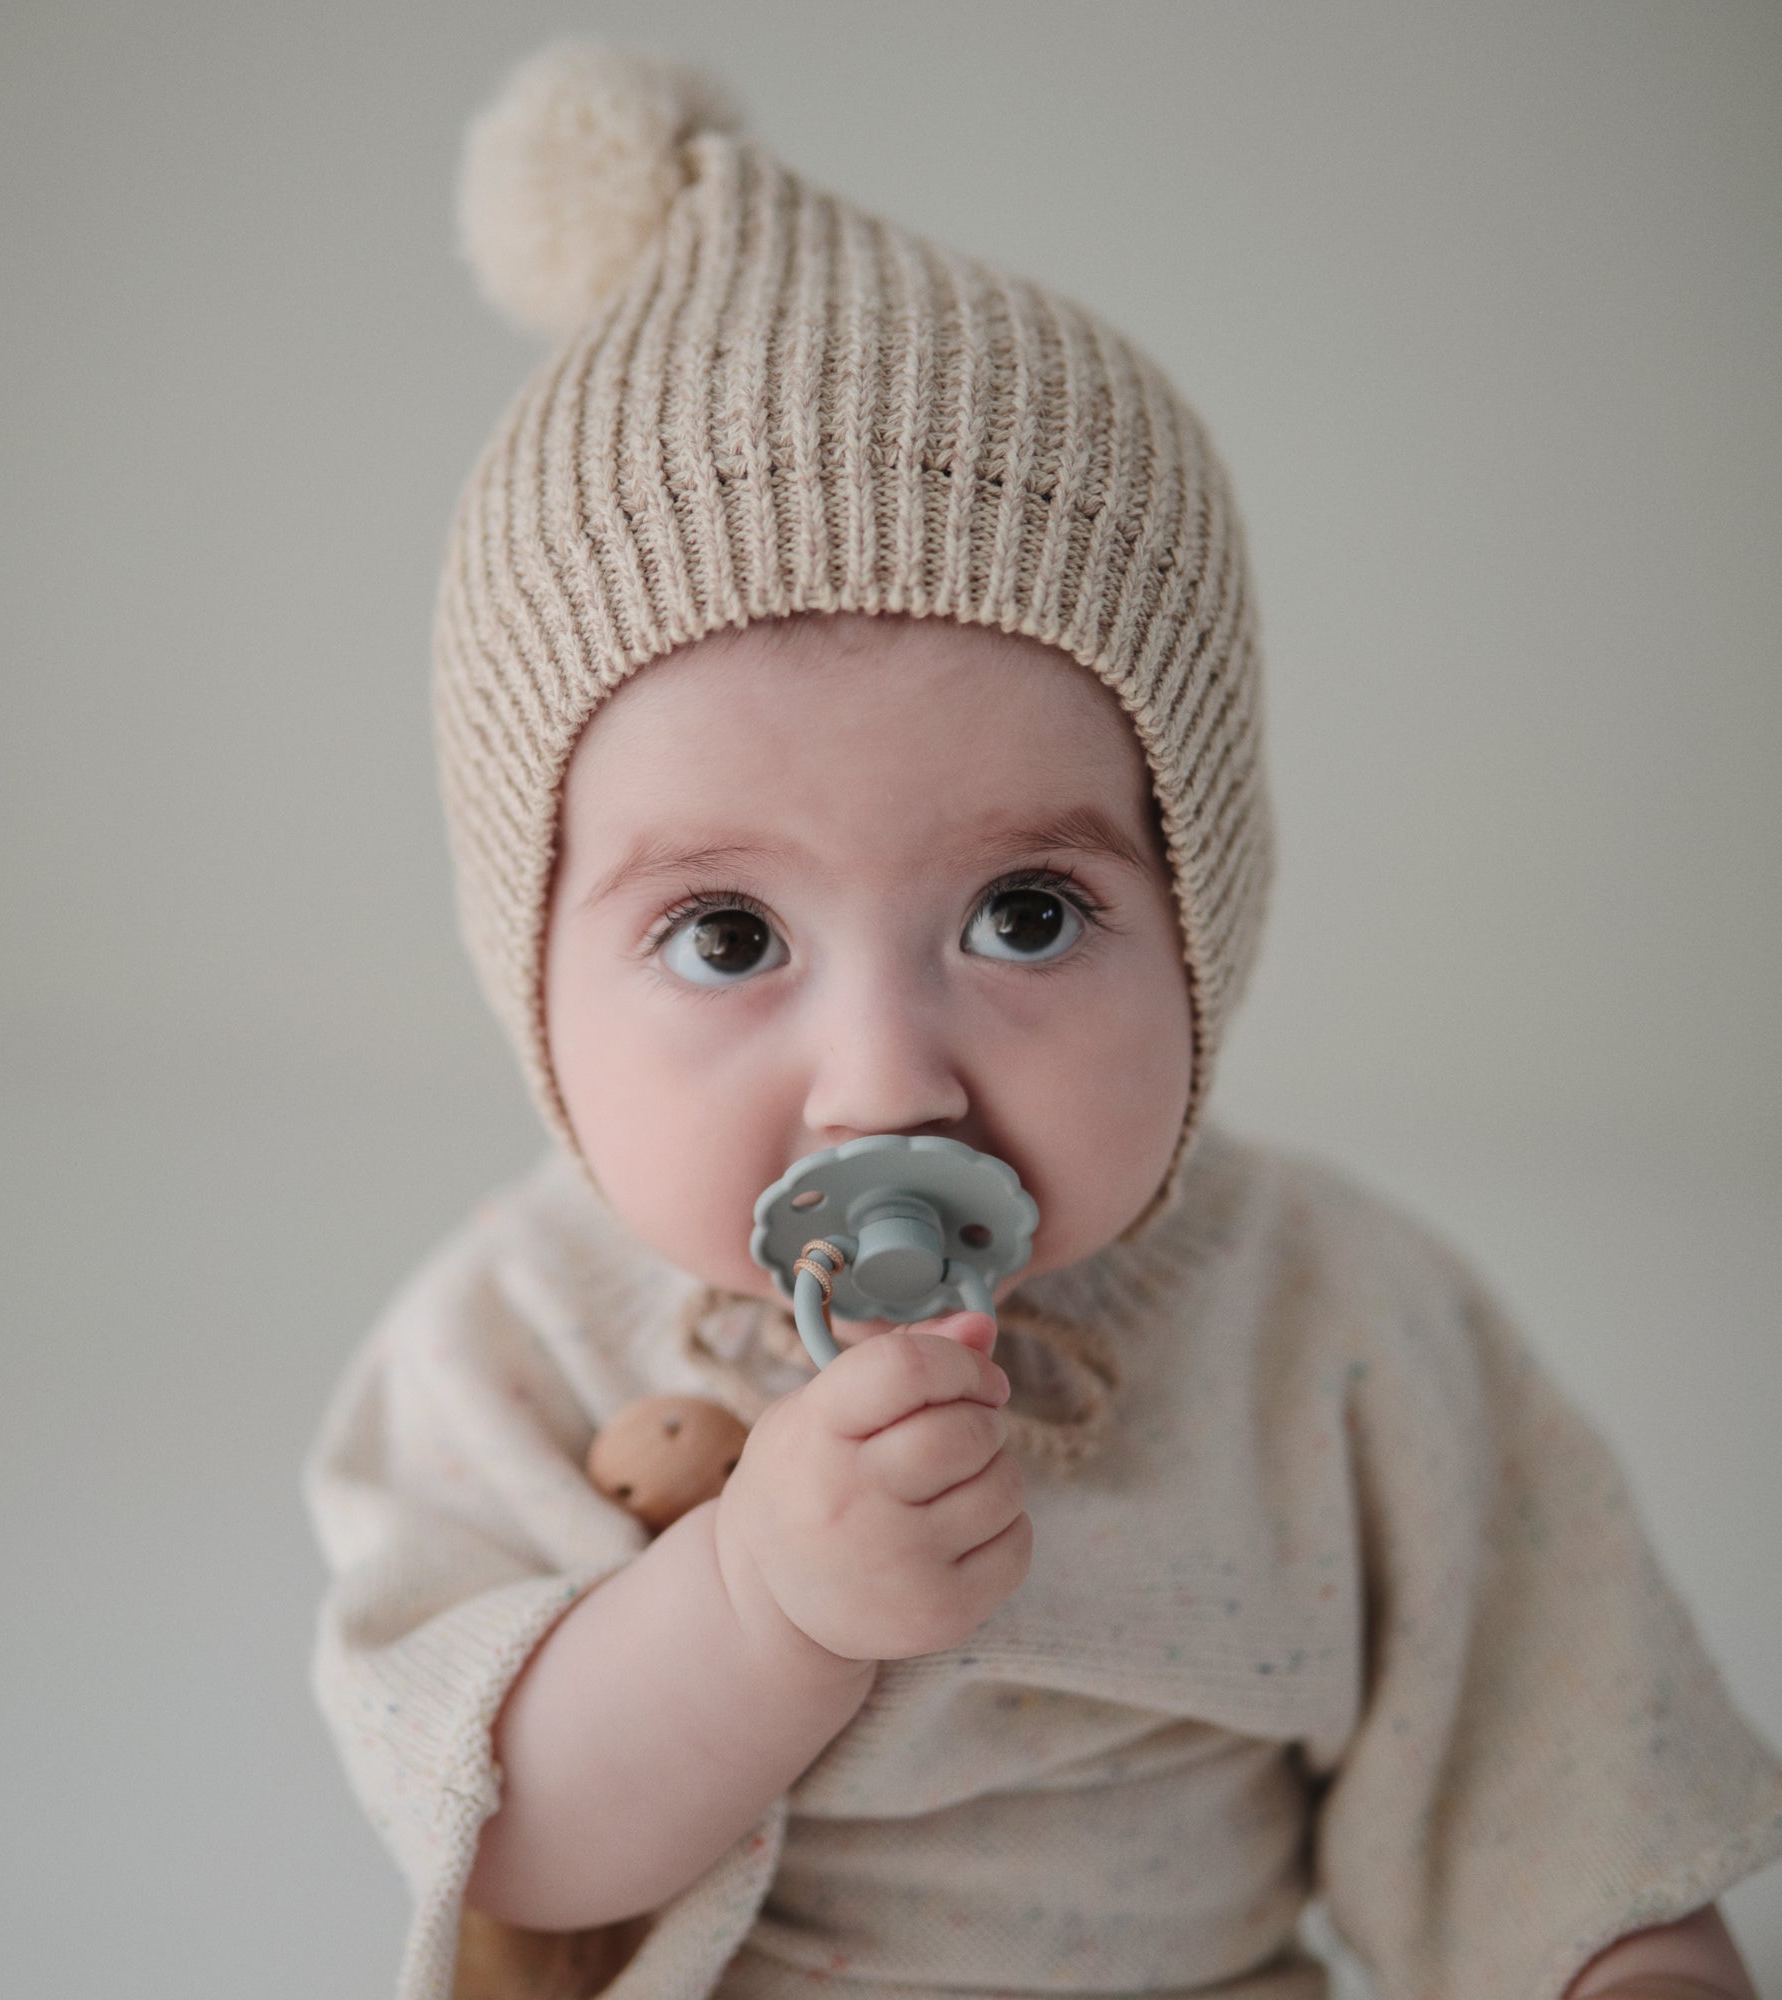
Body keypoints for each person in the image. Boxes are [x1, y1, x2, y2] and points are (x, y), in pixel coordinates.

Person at [305, 41, 1782, 2000]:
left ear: (1201, 923)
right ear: (533, 974)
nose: (885, 1076)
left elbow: (1552, 1781)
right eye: (728, 933)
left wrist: (1629, 1963)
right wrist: (762, 1599)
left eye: (1023, 912)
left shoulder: (1333, 1327)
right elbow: (512, 1843)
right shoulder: (517, 1347)